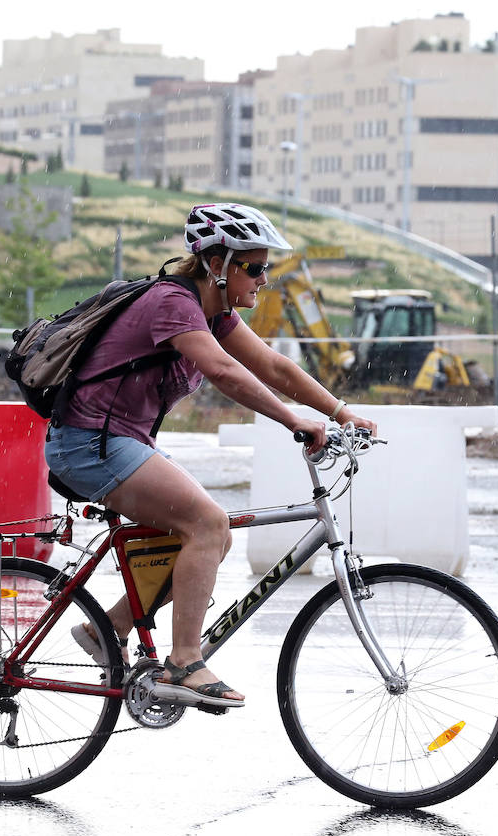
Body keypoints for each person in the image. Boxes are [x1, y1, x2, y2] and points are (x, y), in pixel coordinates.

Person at [45, 202, 378, 709]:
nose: (263, 278)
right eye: (255, 266)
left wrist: (339, 411)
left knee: (209, 538)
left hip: (117, 441)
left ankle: (107, 629)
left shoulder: (214, 313)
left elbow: (272, 365)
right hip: (89, 442)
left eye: (266, 266)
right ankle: (184, 663)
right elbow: (223, 372)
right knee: (208, 524)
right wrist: (294, 420)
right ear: (217, 265)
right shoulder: (172, 303)